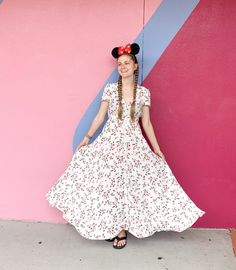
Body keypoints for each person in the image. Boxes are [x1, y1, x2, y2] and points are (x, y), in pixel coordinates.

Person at [45, 42, 205, 250]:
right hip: (110, 143)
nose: (123, 67)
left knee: (129, 186)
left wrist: (157, 149)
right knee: (109, 185)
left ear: (135, 66)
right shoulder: (110, 90)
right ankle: (116, 228)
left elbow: (146, 123)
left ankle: (124, 226)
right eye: (120, 64)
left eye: (127, 63)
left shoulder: (144, 93)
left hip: (133, 145)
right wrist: (87, 137)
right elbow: (100, 116)